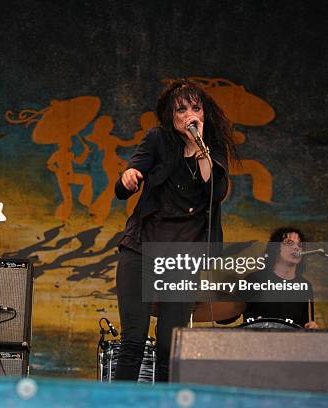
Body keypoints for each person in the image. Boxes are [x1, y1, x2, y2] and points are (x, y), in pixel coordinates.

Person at [113, 79, 236, 382]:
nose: (190, 114)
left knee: (170, 347)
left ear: (205, 115)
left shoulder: (214, 147)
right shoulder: (157, 139)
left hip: (181, 260)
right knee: (133, 341)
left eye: (196, 108)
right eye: (182, 110)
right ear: (171, 116)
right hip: (142, 247)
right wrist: (129, 177)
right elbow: (124, 184)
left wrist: (199, 146)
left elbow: (216, 191)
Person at [243, 227, 319, 329]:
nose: (296, 248)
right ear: (275, 248)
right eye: (289, 243)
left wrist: (312, 327)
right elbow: (228, 315)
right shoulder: (254, 280)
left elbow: (306, 324)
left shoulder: (305, 285)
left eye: (299, 245)